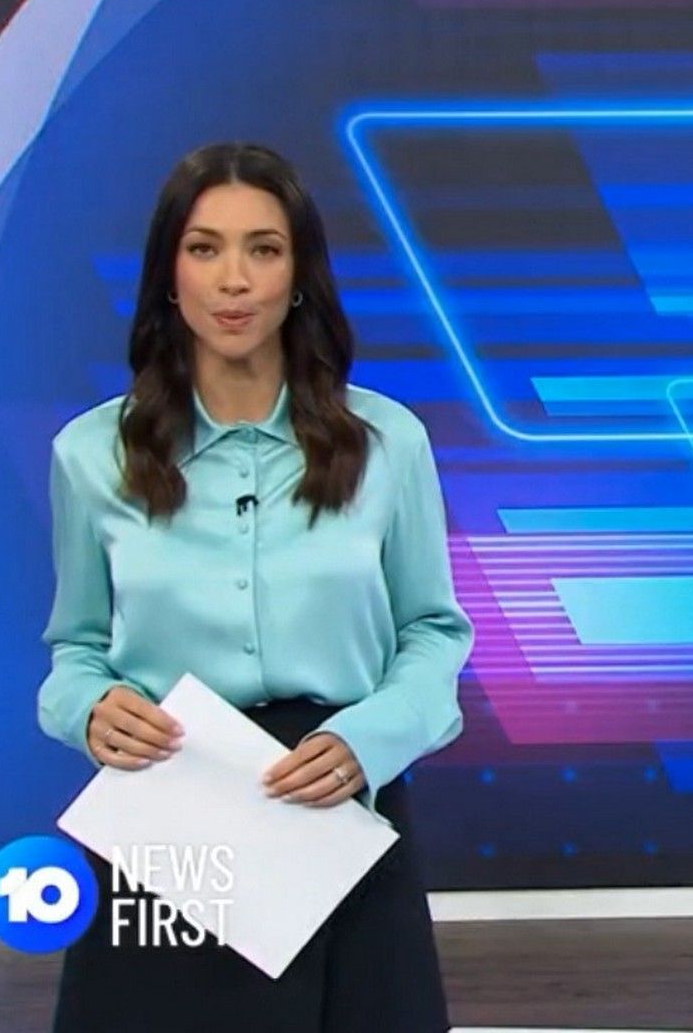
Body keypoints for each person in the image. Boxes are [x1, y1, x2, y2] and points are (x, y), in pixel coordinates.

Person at [36, 142, 472, 1029]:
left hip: (337, 800)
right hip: (170, 814)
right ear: (169, 275)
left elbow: (433, 632)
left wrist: (371, 738)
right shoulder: (89, 455)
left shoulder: (388, 443)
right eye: (204, 248)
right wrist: (87, 707)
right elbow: (74, 648)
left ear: (300, 275)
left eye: (263, 249)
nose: (233, 279)